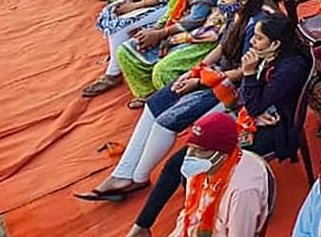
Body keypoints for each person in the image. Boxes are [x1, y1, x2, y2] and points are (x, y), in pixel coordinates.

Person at [104, 14, 309, 235]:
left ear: (276, 43)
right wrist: (249, 102)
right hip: (251, 119)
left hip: (273, 130)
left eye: (258, 38)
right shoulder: (267, 55)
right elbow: (248, 101)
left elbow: (253, 105)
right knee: (179, 161)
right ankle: (143, 225)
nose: (252, 42)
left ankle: (206, 210)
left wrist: (249, 75)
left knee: (195, 164)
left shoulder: (290, 69)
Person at [164, 112, 271, 237]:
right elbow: (188, 216)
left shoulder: (243, 191)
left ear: (222, 154)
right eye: (190, 148)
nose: (191, 156)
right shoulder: (200, 171)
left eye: (200, 151)